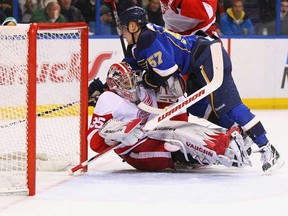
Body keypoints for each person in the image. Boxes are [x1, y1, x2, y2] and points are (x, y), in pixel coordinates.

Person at [117, 6, 283, 172]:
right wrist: (104, 86)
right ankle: (239, 131)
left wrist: (148, 79)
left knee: (230, 106)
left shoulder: (146, 38)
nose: (122, 33)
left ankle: (268, 148)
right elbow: (128, 67)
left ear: (133, 26)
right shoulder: (139, 44)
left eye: (123, 28)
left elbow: (169, 75)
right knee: (197, 106)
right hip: (197, 63)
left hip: (207, 56)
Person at [87, 62, 250, 171]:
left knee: (180, 131)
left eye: (131, 80)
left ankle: (225, 139)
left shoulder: (142, 91)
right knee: (176, 148)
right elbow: (93, 141)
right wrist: (116, 136)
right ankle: (220, 153)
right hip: (135, 150)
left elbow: (156, 113)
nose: (130, 86)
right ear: (113, 85)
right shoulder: (108, 99)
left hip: (151, 132)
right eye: (124, 83)